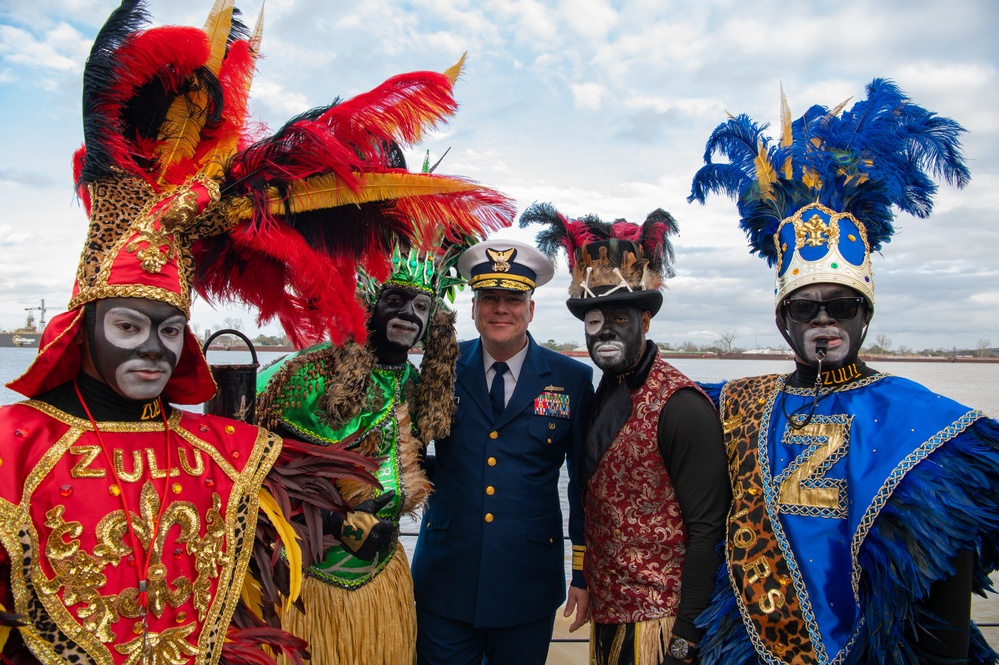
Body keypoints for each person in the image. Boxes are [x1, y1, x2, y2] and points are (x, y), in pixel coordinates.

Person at [0, 3, 514, 663]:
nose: (152, 347)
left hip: (380, 585)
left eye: (168, 328)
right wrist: (332, 515)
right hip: (321, 591)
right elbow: (279, 467)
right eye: (129, 324)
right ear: (83, 325)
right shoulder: (21, 447)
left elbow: (283, 486)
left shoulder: (218, 448)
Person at [687, 79, 999, 664]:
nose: (824, 319)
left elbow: (944, 586)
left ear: (866, 315)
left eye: (843, 305)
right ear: (783, 320)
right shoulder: (731, 404)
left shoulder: (932, 423)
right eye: (806, 307)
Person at [522, 203, 730, 665]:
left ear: (645, 321)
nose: (605, 333)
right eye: (595, 323)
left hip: (661, 623)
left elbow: (708, 527)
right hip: (610, 615)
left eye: (619, 319)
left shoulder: (680, 405)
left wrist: (686, 636)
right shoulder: (600, 395)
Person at [255, 247, 467, 665]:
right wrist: (334, 522)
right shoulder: (309, 372)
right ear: (368, 304)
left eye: (421, 305)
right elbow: (247, 460)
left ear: (431, 323)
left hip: (384, 572)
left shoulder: (417, 385)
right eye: (395, 300)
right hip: (308, 576)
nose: (408, 312)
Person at [411, 239, 595, 665]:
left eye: (513, 298)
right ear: (473, 308)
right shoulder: (441, 366)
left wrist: (583, 573)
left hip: (527, 581)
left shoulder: (571, 379)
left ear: (530, 309)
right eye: (489, 298)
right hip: (445, 577)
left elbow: (583, 485)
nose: (501, 308)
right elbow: (409, 455)